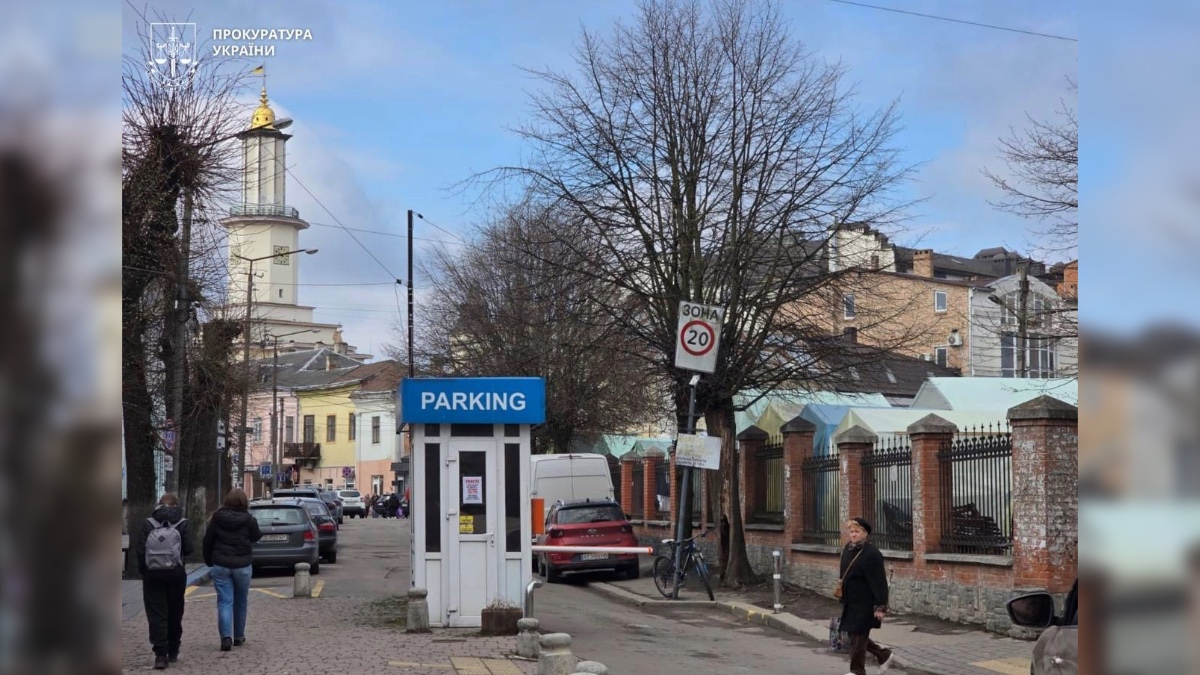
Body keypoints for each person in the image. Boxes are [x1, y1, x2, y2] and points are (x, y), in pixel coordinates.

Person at [135, 493, 193, 669]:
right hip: (176, 574)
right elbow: (189, 549)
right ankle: (173, 649)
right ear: (176, 505)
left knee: (156, 614)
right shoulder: (182, 523)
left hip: (152, 575)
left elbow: (139, 550)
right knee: (175, 611)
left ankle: (160, 654)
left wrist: (144, 571)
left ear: (159, 505)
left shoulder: (148, 523)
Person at [203, 488, 262, 652]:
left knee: (224, 602)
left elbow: (208, 541)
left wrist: (209, 560)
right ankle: (238, 636)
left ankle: (226, 637)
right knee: (241, 602)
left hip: (221, 564)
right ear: (244, 502)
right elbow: (257, 536)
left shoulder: (217, 518)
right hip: (242, 564)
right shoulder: (248, 519)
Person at [838, 517, 896, 675]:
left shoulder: (872, 553)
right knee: (853, 634)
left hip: (866, 602)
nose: (853, 534)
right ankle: (883, 655)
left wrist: (880, 606)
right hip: (851, 601)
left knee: (858, 635)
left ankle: (857, 671)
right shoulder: (848, 549)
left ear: (865, 533)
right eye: (851, 531)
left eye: (857, 531)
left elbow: (879, 581)